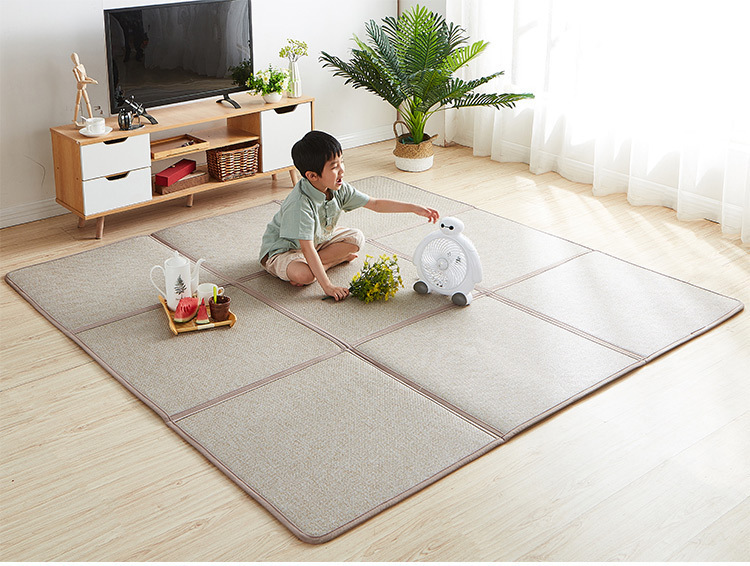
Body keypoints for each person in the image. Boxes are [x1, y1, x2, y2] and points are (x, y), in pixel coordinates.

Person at [259, 131, 439, 301]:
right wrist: (328, 287)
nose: (342, 171)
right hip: (285, 250)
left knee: (357, 238)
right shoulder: (299, 205)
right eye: (334, 167)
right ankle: (322, 266)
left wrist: (414, 208)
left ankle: (319, 267)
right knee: (304, 275)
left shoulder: (338, 187)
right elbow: (306, 249)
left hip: (317, 240)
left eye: (342, 162)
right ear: (312, 176)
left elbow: (375, 204)